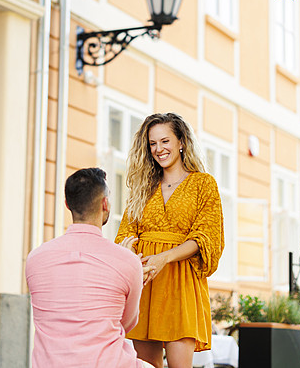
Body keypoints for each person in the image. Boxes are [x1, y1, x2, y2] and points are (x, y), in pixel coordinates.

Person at [115, 112, 225, 368]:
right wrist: (128, 248)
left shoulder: (203, 184)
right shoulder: (144, 187)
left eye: (165, 141)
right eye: (152, 143)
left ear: (181, 142)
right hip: (145, 282)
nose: (158, 149)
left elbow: (206, 236)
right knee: (146, 367)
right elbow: (125, 232)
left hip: (181, 281)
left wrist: (164, 257)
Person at [26, 167, 156, 368]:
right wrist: (128, 263)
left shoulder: (35, 259)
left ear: (68, 204)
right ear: (105, 204)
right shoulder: (127, 262)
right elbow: (126, 323)